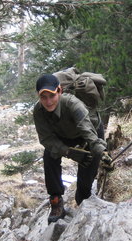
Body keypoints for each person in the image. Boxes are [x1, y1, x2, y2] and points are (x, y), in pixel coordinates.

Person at [33, 73, 113, 223]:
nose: (48, 101)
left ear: (59, 91)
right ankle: (56, 201)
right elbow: (46, 139)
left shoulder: (73, 104)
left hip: (89, 134)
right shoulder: (38, 111)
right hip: (64, 136)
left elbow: (88, 131)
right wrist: (68, 152)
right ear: (39, 97)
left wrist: (102, 153)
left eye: (51, 95)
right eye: (43, 97)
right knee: (50, 155)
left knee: (85, 183)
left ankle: (83, 198)